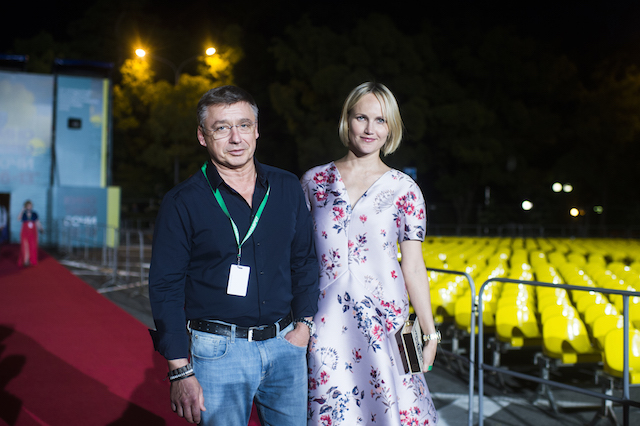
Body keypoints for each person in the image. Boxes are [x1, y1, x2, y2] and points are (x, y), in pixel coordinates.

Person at [149, 85, 320, 425]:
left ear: (256, 130)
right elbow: (165, 286)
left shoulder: (287, 186)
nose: (235, 138)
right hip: (218, 351)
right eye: (221, 128)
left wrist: (304, 326)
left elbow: (304, 260)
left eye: (243, 125)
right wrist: (179, 370)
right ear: (203, 136)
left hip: (285, 345)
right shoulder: (182, 202)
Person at [301, 82, 439, 425]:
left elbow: (413, 265)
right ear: (346, 120)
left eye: (380, 120)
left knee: (396, 406)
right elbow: (298, 257)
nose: (369, 128)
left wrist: (429, 330)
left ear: (391, 128)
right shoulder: (314, 182)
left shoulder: (405, 189)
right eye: (361, 117)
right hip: (324, 319)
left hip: (389, 321)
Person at [18, 200, 43, 267]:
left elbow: (37, 221)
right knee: (25, 245)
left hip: (33, 231)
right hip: (25, 230)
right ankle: (26, 260)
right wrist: (22, 210)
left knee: (32, 245)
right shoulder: (23, 213)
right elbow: (18, 218)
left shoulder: (34, 213)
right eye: (28, 205)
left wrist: (41, 228)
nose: (30, 206)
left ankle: (32, 260)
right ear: (26, 206)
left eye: (31, 205)